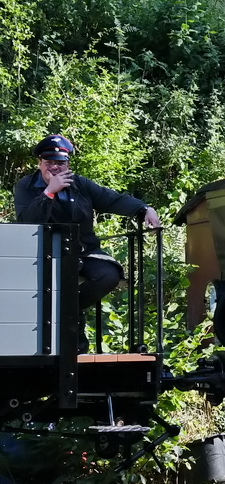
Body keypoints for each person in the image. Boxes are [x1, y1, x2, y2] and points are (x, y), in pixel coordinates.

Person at [13, 135, 162, 352]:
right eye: (49, 163)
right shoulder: (26, 186)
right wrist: (49, 193)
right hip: (45, 254)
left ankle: (68, 309)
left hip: (83, 252)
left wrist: (143, 209)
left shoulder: (79, 184)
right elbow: (27, 222)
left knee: (108, 275)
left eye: (60, 163)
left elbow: (112, 199)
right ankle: (70, 335)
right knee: (54, 288)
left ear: (67, 164)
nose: (55, 168)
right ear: (40, 163)